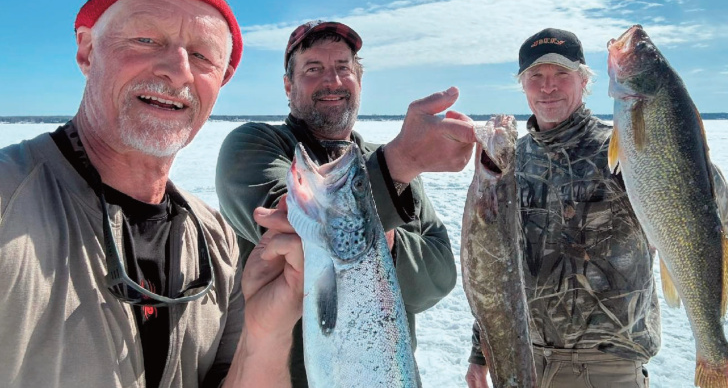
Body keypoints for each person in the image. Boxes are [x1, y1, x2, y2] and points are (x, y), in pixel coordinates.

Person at [0, 0, 303, 388]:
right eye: (145, 39)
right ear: (87, 50)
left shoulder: (215, 241)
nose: (177, 70)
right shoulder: (9, 203)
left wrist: (266, 334)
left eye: (202, 56)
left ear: (222, 79)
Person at [216, 20, 475, 386]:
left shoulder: (389, 167)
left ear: (359, 81)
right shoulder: (256, 145)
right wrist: (397, 166)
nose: (332, 81)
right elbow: (293, 224)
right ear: (288, 86)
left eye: (343, 68)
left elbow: (439, 276)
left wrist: (390, 243)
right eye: (313, 69)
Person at [466, 28, 662, 388]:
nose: (548, 87)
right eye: (536, 76)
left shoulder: (622, 150)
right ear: (523, 86)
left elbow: (700, 205)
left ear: (584, 81)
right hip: (524, 363)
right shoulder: (510, 161)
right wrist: (481, 353)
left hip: (608, 368)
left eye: (561, 75)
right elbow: (495, 263)